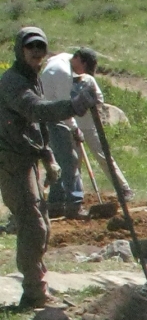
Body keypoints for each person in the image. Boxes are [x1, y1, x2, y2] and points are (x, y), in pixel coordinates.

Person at [0, 26, 97, 308]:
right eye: (30, 47)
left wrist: (48, 156)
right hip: (11, 161)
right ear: (20, 50)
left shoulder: (33, 78)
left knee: (43, 226)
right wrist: (74, 106)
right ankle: (34, 293)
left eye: (40, 47)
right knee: (33, 226)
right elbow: (36, 110)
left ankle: (38, 286)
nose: (35, 52)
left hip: (28, 157)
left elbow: (36, 123)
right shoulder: (13, 82)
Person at [38, 46, 102, 219]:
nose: (83, 73)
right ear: (79, 60)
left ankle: (56, 203)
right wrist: (75, 129)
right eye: (85, 68)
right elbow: (63, 108)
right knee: (70, 160)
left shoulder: (62, 58)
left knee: (58, 160)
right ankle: (74, 204)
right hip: (53, 118)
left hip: (44, 114)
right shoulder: (63, 74)